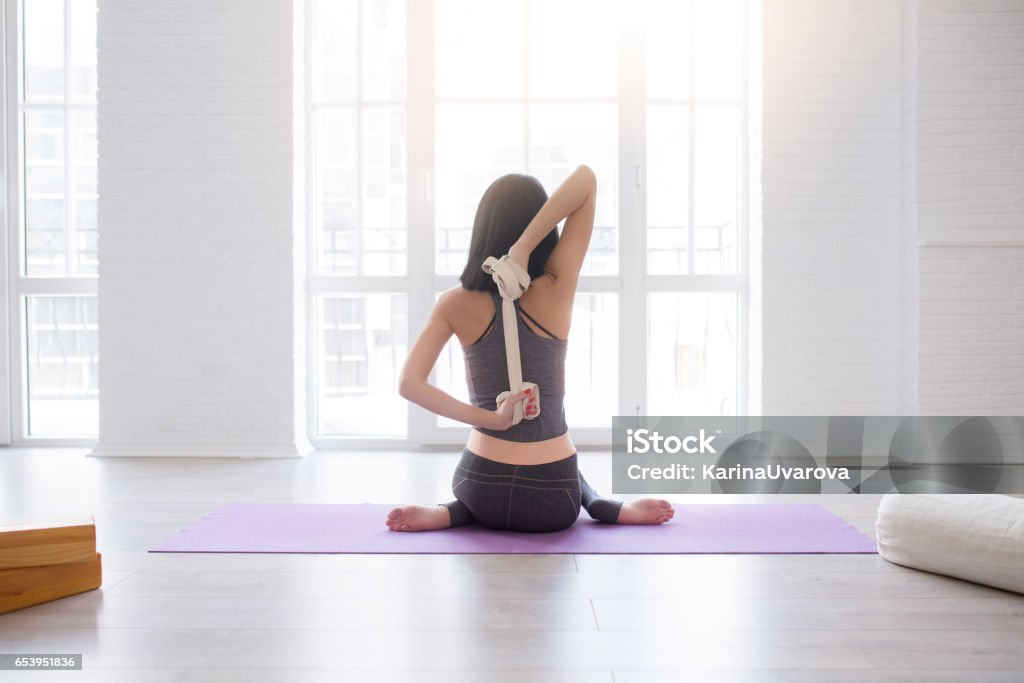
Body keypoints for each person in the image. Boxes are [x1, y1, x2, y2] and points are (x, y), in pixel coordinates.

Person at [389, 165, 674, 532]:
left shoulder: (453, 303)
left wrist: (493, 420)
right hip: (554, 499)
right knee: (562, 456)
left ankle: (454, 511)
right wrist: (523, 248)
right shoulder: (556, 286)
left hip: (478, 489)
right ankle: (603, 504)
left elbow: (409, 384)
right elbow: (586, 179)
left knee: (482, 488)